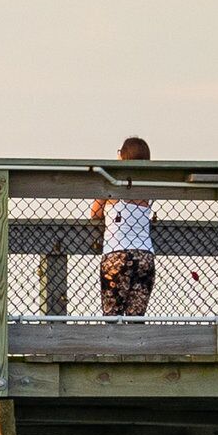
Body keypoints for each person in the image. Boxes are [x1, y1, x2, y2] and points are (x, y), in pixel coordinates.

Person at [90, 135, 156, 316]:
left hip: (116, 254)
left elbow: (94, 213)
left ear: (123, 157)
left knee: (113, 316)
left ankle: (112, 344)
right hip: (144, 256)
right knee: (136, 318)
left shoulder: (112, 183)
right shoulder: (148, 186)